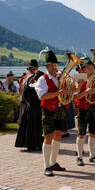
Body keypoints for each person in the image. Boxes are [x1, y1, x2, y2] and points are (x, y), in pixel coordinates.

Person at [35, 49, 70, 177]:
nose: (55, 67)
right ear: (47, 67)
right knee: (48, 136)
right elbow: (42, 96)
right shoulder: (42, 79)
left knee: (58, 135)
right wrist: (59, 93)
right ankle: (46, 165)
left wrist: (75, 88)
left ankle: (54, 162)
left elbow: (70, 92)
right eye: (52, 65)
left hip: (61, 109)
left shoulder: (62, 77)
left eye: (56, 65)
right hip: (48, 110)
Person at [74, 57, 95, 166]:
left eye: (92, 67)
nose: (90, 69)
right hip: (83, 109)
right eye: (88, 68)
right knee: (81, 134)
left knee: (93, 134)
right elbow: (74, 97)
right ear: (84, 69)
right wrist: (86, 92)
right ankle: (79, 156)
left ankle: (92, 155)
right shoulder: (79, 78)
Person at [15, 59, 45, 151]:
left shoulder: (26, 77)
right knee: (35, 125)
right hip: (33, 103)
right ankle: (36, 143)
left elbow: (22, 90)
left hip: (28, 103)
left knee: (29, 125)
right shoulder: (32, 77)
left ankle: (30, 143)